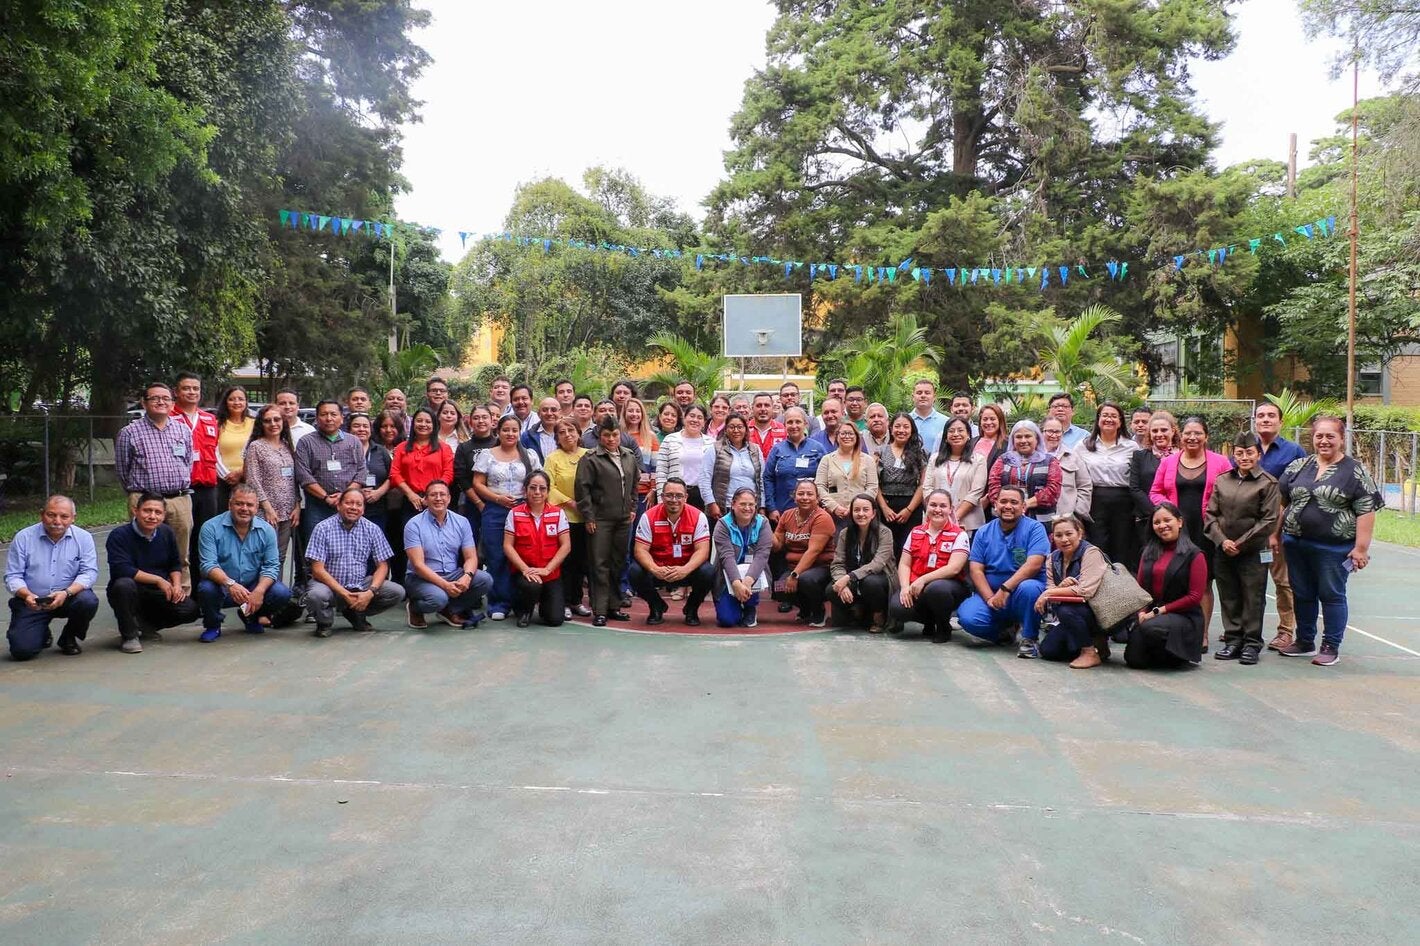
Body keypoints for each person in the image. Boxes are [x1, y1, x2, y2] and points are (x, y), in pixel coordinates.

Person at [1275, 416, 1381, 667]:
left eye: (1330, 436)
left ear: (1341, 439)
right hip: (1296, 543)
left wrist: (1361, 549)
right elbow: (1283, 501)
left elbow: (1367, 509)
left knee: (1331, 595)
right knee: (1302, 593)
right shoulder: (1298, 466)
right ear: (1312, 438)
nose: (1324, 441)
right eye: (1319, 436)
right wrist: (1275, 534)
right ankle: (1304, 641)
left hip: (1333, 548)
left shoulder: (1354, 471)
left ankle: (1330, 645)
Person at [1150, 416, 1231, 643]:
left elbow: (1231, 492)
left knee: (1203, 583)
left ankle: (1202, 634)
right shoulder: (1168, 462)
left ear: (1206, 436)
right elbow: (1155, 492)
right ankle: (1175, 629)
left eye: (1198, 433)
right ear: (1181, 435)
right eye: (1187, 433)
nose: (1192, 437)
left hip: (1206, 531)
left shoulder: (1221, 462)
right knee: (1174, 580)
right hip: (1176, 532)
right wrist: (1169, 515)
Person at [1204, 432, 1281, 665]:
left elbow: (1268, 520)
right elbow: (1210, 514)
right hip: (1223, 549)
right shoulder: (1222, 480)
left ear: (1258, 454)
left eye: (1249, 452)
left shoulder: (1268, 482)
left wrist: (1240, 543)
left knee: (1253, 597)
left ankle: (1251, 643)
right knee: (1229, 595)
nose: (1244, 457)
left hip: (1253, 551)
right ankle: (1233, 640)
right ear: (1233, 455)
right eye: (1239, 453)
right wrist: (1222, 540)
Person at [114, 381, 194, 585]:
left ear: (173, 402)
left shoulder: (183, 431)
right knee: (143, 550)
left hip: (178, 499)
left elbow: (188, 463)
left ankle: (180, 597)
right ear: (144, 402)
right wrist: (136, 496)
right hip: (144, 500)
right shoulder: (129, 432)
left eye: (166, 398)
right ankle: (143, 597)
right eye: (155, 398)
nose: (161, 402)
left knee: (181, 553)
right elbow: (123, 469)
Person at [958, 486, 1049, 657]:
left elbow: (1034, 565)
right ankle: (1004, 633)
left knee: (1029, 588)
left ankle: (1030, 638)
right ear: (995, 505)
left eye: (1014, 502)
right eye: (1003, 501)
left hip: (1022, 594)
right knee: (968, 618)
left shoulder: (1035, 529)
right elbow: (976, 569)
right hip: (992, 595)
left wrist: (1005, 589)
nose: (1008, 506)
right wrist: (990, 598)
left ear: (1023, 507)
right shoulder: (984, 531)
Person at [195, 485, 294, 642]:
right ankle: (213, 625)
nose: (244, 509)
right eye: (239, 503)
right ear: (229, 505)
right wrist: (230, 584)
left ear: (257, 508)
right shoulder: (210, 527)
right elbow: (208, 565)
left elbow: (272, 566)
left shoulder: (267, 530)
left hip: (252, 586)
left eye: (250, 505)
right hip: (223, 586)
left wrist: (259, 591)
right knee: (206, 589)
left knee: (281, 593)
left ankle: (252, 617)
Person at [5, 496, 99, 659]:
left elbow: (89, 572)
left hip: (68, 597)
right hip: (33, 600)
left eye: (64, 516)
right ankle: (41, 632)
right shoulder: (24, 537)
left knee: (88, 601)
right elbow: (13, 576)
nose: (57, 521)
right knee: (22, 651)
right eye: (51, 515)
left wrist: (66, 593)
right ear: (42, 515)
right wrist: (26, 594)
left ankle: (68, 637)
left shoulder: (83, 538)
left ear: (73, 519)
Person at [106, 492, 201, 652]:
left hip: (158, 591)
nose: (152, 516)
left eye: (158, 512)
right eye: (147, 511)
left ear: (164, 515)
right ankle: (130, 635)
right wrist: (159, 580)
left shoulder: (166, 532)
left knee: (190, 610)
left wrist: (177, 585)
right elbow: (122, 569)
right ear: (136, 511)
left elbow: (174, 564)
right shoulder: (119, 535)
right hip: (132, 588)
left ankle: (146, 625)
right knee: (123, 585)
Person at [304, 487, 405, 637]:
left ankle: (355, 612)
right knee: (316, 596)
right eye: (349, 503)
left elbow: (383, 565)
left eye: (358, 504)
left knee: (397, 592)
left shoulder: (372, 529)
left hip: (359, 584)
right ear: (339, 505)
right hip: (329, 585)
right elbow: (317, 570)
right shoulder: (323, 528)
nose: (353, 508)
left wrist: (371, 592)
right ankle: (324, 622)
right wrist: (344, 593)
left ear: (363, 509)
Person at [294, 399, 367, 593]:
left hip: (349, 506)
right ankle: (314, 597)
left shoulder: (353, 442)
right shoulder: (306, 442)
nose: (329, 418)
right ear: (317, 418)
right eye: (324, 414)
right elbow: (303, 474)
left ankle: (348, 594)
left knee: (349, 550)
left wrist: (345, 498)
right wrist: (326, 497)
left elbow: (361, 472)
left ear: (342, 418)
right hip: (318, 505)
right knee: (315, 552)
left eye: (333, 414)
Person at [473, 415, 541, 620]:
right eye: (506, 430)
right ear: (498, 432)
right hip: (494, 510)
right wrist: (498, 498)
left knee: (521, 555)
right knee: (496, 557)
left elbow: (539, 481)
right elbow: (478, 483)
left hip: (523, 510)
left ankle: (521, 603)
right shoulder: (487, 454)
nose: (510, 434)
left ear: (519, 432)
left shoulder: (529, 455)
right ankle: (499, 603)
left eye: (514, 430)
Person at [1252, 400, 1307, 653]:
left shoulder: (1294, 452)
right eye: (1261, 415)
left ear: (1280, 421)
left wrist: (1277, 529)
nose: (1265, 419)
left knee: (1283, 582)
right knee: (1250, 581)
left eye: (1271, 415)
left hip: (1279, 530)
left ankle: (1286, 632)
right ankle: (1246, 629)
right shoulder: (1246, 448)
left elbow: (1299, 491)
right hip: (1248, 528)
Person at [403, 480, 493, 629]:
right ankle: (415, 608)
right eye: (433, 495)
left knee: (485, 579)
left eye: (442, 494)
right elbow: (418, 566)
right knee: (438, 598)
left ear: (449, 498)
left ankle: (450, 610)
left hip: (452, 574)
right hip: (421, 578)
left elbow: (471, 557)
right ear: (425, 500)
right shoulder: (413, 525)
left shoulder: (462, 522)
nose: (438, 498)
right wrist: (445, 585)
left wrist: (467, 576)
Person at [575, 418, 639, 625]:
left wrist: (633, 507)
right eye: (606, 435)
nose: (611, 439)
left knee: (618, 563)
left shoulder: (628, 456)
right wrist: (588, 516)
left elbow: (635, 483)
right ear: (600, 436)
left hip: (622, 519)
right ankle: (600, 610)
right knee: (599, 564)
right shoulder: (591, 458)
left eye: (615, 435)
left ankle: (614, 606)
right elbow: (582, 489)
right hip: (600, 519)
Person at [1128, 502, 1207, 668]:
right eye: (1156, 523)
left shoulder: (1195, 555)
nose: (1162, 526)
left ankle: (1180, 652)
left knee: (1150, 628)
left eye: (1167, 520)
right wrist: (1142, 612)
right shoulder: (1148, 553)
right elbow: (1140, 589)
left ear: (1179, 522)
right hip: (1151, 615)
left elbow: (1194, 597)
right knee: (1134, 659)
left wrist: (1156, 612)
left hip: (1183, 616)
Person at [888, 488, 970, 641]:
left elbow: (955, 568)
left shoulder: (959, 534)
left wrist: (923, 579)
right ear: (926, 507)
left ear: (950, 509)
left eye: (943, 506)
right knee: (897, 608)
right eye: (933, 505)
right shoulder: (916, 531)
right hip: (916, 587)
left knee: (936, 589)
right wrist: (905, 587)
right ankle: (930, 621)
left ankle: (943, 626)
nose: (937, 509)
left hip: (948, 588)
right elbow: (905, 564)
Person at [630, 476, 714, 625]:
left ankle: (692, 608)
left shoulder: (698, 516)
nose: (674, 499)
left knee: (709, 572)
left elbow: (702, 551)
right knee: (634, 572)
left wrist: (685, 570)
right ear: (662, 497)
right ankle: (656, 605)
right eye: (669, 495)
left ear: (686, 497)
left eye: (679, 496)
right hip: (658, 569)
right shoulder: (648, 516)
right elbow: (640, 550)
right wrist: (654, 569)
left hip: (686, 569)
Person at [1034, 515, 1110, 667]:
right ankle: (1097, 645)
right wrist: (1060, 588)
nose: (1064, 539)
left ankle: (1089, 652)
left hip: (1097, 612)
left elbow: (1085, 591)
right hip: (1071, 616)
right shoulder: (1052, 558)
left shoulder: (1091, 552)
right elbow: (1051, 591)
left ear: (1079, 533)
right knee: (1048, 650)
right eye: (1058, 535)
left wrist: (1049, 593)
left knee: (1066, 610)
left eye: (1069, 534)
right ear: (1053, 537)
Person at [503, 470, 571, 627]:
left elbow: (566, 546)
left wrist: (548, 569)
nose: (537, 492)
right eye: (532, 488)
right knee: (532, 585)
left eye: (542, 488)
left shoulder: (558, 514)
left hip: (550, 574)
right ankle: (524, 610)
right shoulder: (514, 514)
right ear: (525, 490)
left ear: (547, 492)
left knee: (555, 620)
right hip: (525, 574)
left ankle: (543, 604)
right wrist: (525, 569)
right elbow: (507, 546)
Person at [242, 404, 300, 579]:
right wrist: (267, 508)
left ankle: (277, 598)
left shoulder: (287, 446)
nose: (273, 424)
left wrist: (297, 505)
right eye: (267, 421)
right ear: (261, 424)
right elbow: (252, 479)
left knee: (280, 557)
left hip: (288, 512)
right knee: (264, 557)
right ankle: (258, 599)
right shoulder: (256, 447)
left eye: (277, 419)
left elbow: (294, 479)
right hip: (266, 512)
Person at [1079, 402, 1139, 567]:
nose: (1109, 419)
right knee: (1098, 544)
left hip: (1123, 501)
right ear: (1098, 419)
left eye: (1114, 416)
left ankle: (1122, 586)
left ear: (1120, 421)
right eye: (1105, 415)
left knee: (1122, 545)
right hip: (1095, 500)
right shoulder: (1084, 445)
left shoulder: (1132, 446)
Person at [172, 372, 220, 573]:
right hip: (180, 489)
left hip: (207, 488)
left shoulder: (209, 419)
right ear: (176, 391)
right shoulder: (169, 418)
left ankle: (202, 586)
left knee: (205, 537)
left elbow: (216, 451)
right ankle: (180, 586)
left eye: (195, 388)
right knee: (181, 539)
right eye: (186, 388)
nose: (191, 392)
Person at [771, 479, 835, 627]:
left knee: (806, 580)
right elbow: (777, 546)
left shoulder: (822, 517)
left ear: (817, 498)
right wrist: (764, 528)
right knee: (778, 588)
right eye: (801, 494)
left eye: (809, 494)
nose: (805, 497)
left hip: (821, 567)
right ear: (794, 497)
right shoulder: (786, 515)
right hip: (794, 566)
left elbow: (814, 551)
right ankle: (805, 609)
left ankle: (818, 610)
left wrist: (795, 575)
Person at [830, 494, 898, 632]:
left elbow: (877, 564)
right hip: (854, 579)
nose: (861, 514)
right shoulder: (845, 533)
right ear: (852, 513)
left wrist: (849, 577)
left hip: (880, 578)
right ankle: (857, 609)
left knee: (871, 583)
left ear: (873, 513)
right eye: (856, 510)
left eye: (865, 510)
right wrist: (841, 583)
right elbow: (837, 563)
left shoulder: (885, 533)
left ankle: (879, 614)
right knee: (831, 589)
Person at [545, 419, 591, 617]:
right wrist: (572, 503)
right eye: (561, 432)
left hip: (587, 518)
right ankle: (562, 602)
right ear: (557, 438)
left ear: (579, 433)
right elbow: (549, 487)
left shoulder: (589, 455)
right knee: (565, 563)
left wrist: (587, 507)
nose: (567, 434)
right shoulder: (553, 458)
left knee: (582, 562)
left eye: (571, 430)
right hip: (563, 518)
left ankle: (576, 601)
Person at [712, 488, 774, 628]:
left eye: (751, 505)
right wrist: (736, 583)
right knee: (727, 620)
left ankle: (750, 606)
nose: (747, 508)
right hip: (727, 575)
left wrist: (747, 582)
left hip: (752, 573)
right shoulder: (722, 524)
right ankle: (734, 604)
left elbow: (762, 555)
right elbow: (726, 557)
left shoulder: (763, 523)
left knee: (755, 569)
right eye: (743, 504)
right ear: (733, 505)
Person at [1130, 411, 1179, 573]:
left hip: (1177, 521)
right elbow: (1135, 489)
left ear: (1173, 430)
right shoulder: (1140, 456)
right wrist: (1157, 515)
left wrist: (1172, 516)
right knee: (1151, 566)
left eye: (1164, 430)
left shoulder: (1183, 457)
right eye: (1155, 431)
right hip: (1146, 520)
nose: (1159, 434)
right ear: (1149, 433)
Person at [923, 417, 989, 535]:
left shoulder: (978, 460)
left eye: (960, 430)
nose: (956, 434)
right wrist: (939, 514)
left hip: (968, 523)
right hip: (935, 520)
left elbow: (976, 492)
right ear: (946, 437)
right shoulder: (935, 459)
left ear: (968, 435)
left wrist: (952, 518)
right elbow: (927, 488)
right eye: (951, 431)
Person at [987, 421, 1062, 522]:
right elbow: (993, 487)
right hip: (1005, 519)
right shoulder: (1003, 460)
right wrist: (1009, 505)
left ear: (1037, 439)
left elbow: (1053, 491)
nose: (1023, 440)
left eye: (1028, 436)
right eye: (1018, 437)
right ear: (1013, 440)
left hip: (1040, 521)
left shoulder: (1049, 461)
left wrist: (1027, 504)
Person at [874, 412, 927, 551]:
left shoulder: (920, 453)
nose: (901, 430)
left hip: (911, 505)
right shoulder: (880, 451)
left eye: (906, 427)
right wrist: (884, 508)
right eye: (897, 426)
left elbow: (922, 484)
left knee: (908, 547)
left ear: (912, 430)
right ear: (891, 429)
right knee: (885, 547)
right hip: (885, 505)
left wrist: (909, 510)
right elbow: (874, 482)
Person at [763, 407, 826, 520]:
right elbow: (768, 478)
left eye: (798, 421)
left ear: (805, 424)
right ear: (784, 425)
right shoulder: (777, 450)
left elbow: (827, 478)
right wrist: (771, 508)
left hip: (812, 511)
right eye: (790, 422)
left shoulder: (818, 448)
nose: (794, 426)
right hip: (783, 510)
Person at [817, 422, 879, 528]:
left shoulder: (867, 460)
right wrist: (834, 507)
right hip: (834, 516)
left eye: (851, 434)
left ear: (857, 437)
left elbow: (872, 487)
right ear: (837, 436)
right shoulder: (827, 459)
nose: (847, 436)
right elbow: (819, 486)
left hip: (861, 516)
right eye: (843, 433)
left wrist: (857, 506)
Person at [656, 404, 714, 509]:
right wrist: (661, 500)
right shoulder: (670, 439)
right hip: (674, 495)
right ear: (684, 418)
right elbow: (661, 472)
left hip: (700, 496)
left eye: (699, 417)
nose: (695, 420)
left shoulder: (711, 443)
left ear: (704, 422)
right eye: (691, 416)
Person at [452, 403, 498, 532]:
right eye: (476, 418)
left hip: (499, 500)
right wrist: (479, 503)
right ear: (471, 422)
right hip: (473, 502)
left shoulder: (500, 444)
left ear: (491, 420)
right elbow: (461, 478)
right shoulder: (463, 447)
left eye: (484, 417)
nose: (481, 421)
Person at [1041, 416, 1094, 523]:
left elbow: (1085, 485)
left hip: (1067, 518)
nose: (1054, 435)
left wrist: (1077, 511)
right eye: (1050, 431)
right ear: (1041, 432)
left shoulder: (1072, 456)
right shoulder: (1033, 456)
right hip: (1038, 516)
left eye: (1058, 432)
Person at [709, 414, 764, 516]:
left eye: (740, 427)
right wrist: (711, 503)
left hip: (750, 507)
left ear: (746, 429)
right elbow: (705, 479)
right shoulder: (715, 448)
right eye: (731, 427)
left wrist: (762, 506)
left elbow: (761, 480)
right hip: (724, 507)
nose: (736, 430)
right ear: (725, 429)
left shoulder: (755, 449)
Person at [347, 413, 391, 528]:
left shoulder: (381, 451)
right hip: (350, 509)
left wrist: (379, 492)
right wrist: (356, 491)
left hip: (377, 509)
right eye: (356, 426)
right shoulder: (342, 450)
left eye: (365, 426)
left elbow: (392, 476)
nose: (361, 429)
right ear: (349, 429)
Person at [214, 385, 254, 509]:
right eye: (232, 399)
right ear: (226, 402)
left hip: (249, 479)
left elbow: (257, 451)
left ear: (246, 402)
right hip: (223, 480)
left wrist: (242, 472)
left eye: (241, 399)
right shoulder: (217, 424)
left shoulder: (254, 423)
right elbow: (212, 451)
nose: (237, 402)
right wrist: (226, 474)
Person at [908, 379, 947, 455]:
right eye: (919, 393)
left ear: (934, 397)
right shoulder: (904, 421)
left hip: (936, 465)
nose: (923, 395)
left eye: (927, 393)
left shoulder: (946, 422)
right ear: (913, 397)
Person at [519, 397, 560, 462]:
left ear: (560, 412)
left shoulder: (567, 434)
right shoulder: (527, 436)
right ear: (538, 414)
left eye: (553, 410)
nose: (549, 413)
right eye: (545, 410)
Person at [749, 393, 786, 459]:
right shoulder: (744, 429)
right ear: (752, 408)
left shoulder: (783, 429)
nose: (763, 409)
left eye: (766, 405)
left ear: (772, 408)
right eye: (759, 405)